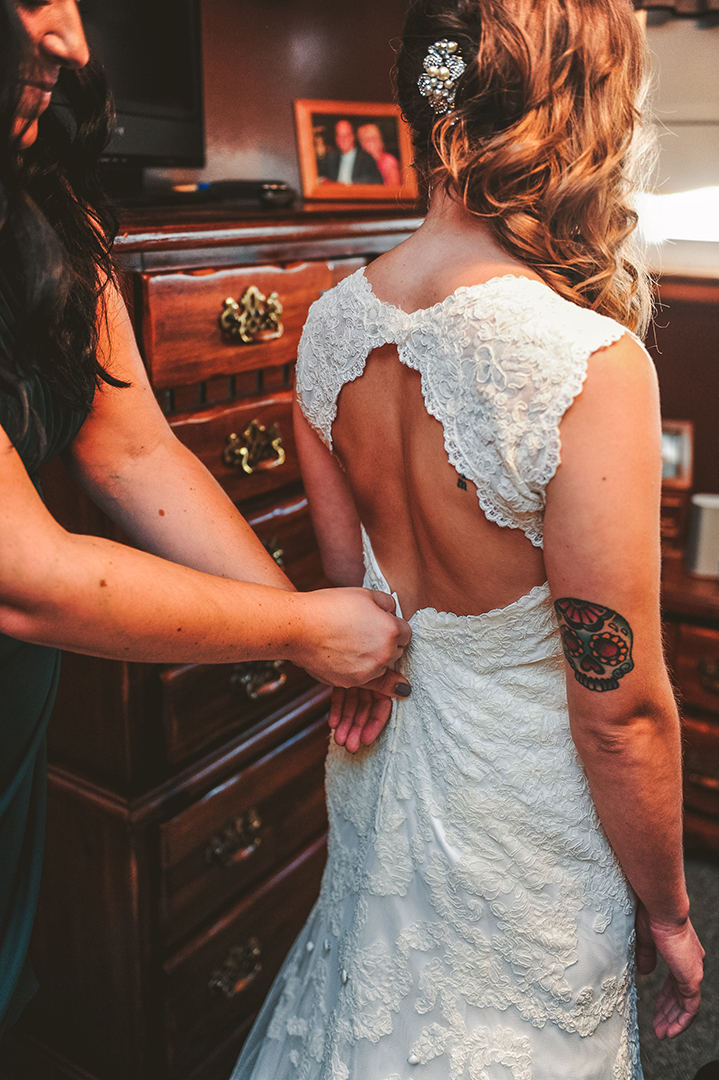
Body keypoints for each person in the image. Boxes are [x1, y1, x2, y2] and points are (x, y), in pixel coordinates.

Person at [229, 0, 705, 1077]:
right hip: (522, 814)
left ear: (422, 104)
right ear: (577, 112)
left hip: (383, 762)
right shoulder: (585, 364)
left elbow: (358, 602)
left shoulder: (327, 324)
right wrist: (669, 911)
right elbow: (619, 710)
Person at [0, 0, 411, 1038]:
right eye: (31, 3)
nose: (69, 41)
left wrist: (298, 622)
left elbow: (130, 447)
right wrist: (305, 629)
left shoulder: (38, 199)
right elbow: (24, 573)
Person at [318, 119, 383, 185]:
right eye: (339, 136)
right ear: (336, 139)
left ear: (353, 137)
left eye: (346, 135)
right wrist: (324, 181)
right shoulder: (331, 158)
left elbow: (375, 181)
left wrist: (346, 186)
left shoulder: (366, 159)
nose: (343, 140)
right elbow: (319, 177)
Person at [357, 122, 402, 186]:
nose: (367, 144)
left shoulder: (388, 161)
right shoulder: (361, 163)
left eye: (370, 139)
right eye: (363, 140)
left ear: (379, 140)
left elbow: (395, 188)